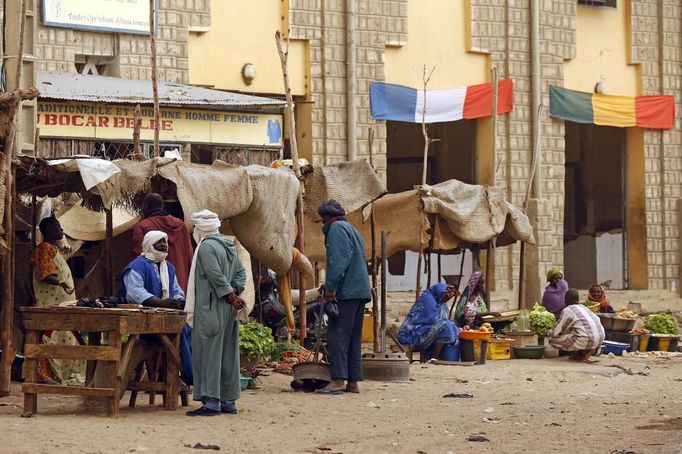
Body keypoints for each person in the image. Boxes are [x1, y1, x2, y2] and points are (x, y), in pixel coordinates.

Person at [185, 210, 246, 416]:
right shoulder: (229, 245)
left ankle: (211, 402)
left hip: (211, 306)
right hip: (229, 308)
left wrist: (230, 296)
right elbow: (241, 273)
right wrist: (235, 292)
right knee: (227, 352)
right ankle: (228, 401)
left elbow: (215, 276)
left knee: (208, 352)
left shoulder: (207, 248)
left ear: (200, 229)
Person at [315, 200, 372, 395]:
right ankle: (353, 382)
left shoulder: (336, 229)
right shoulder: (351, 229)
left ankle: (338, 380)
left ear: (326, 218)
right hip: (360, 290)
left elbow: (339, 260)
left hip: (348, 292)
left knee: (336, 336)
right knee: (352, 338)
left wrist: (331, 288)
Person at [31, 217, 85, 385]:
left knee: (65, 335)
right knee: (51, 335)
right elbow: (45, 274)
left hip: (61, 303)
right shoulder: (44, 249)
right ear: (46, 231)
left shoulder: (54, 249)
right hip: (51, 303)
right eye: (58, 228)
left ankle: (58, 374)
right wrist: (61, 283)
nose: (61, 231)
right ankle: (46, 375)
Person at [132, 193, 193, 292]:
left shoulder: (143, 227)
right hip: (180, 285)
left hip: (154, 288)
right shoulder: (181, 225)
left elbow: (139, 257)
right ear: (162, 206)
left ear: (146, 206)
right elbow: (190, 257)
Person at [121, 230, 185, 308]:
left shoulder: (169, 267)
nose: (163, 245)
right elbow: (135, 292)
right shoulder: (137, 266)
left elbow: (176, 291)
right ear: (149, 245)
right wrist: (161, 303)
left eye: (164, 242)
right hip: (141, 315)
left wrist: (179, 300)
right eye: (158, 242)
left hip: (165, 314)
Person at [397, 283, 460, 358]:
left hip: (427, 330)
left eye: (450, 298)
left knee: (451, 326)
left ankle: (441, 356)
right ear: (440, 292)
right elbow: (432, 321)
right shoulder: (427, 300)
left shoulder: (441, 303)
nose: (447, 299)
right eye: (446, 297)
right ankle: (434, 357)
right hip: (413, 333)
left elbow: (443, 319)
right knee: (447, 326)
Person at [548, 288, 605, 362]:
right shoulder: (584, 308)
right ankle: (584, 352)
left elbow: (556, 332)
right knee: (577, 332)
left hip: (586, 339)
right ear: (578, 299)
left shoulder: (568, 310)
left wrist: (548, 332)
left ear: (566, 300)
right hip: (600, 338)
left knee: (552, 341)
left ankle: (586, 350)